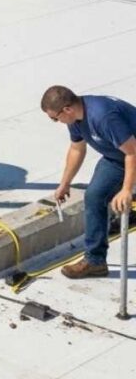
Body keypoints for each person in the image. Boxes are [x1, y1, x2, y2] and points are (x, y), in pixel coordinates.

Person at [42, 85, 136, 279]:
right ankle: (95, 261)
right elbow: (77, 149)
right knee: (94, 196)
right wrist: (64, 184)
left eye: (54, 118)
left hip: (131, 154)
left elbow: (133, 152)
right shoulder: (75, 118)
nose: (55, 121)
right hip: (116, 159)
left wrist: (127, 189)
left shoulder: (103, 117)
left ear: (67, 109)